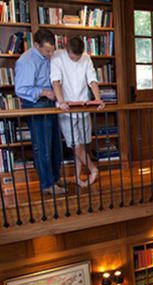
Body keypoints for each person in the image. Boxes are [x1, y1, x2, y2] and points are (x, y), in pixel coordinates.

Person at [15, 29, 65, 195]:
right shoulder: (27, 60)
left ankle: (55, 178)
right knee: (42, 146)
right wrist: (44, 92)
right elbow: (21, 89)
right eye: (47, 51)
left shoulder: (49, 56)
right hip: (36, 105)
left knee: (55, 145)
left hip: (50, 104)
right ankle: (47, 184)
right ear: (36, 45)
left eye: (52, 50)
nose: (51, 54)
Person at [50, 36, 104, 187]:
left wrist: (98, 99)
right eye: (74, 57)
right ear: (67, 50)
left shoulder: (86, 58)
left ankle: (78, 177)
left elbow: (92, 79)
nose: (77, 59)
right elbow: (55, 81)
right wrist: (61, 101)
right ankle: (93, 170)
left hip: (83, 106)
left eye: (79, 57)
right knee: (76, 145)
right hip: (66, 109)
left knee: (82, 145)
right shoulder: (57, 57)